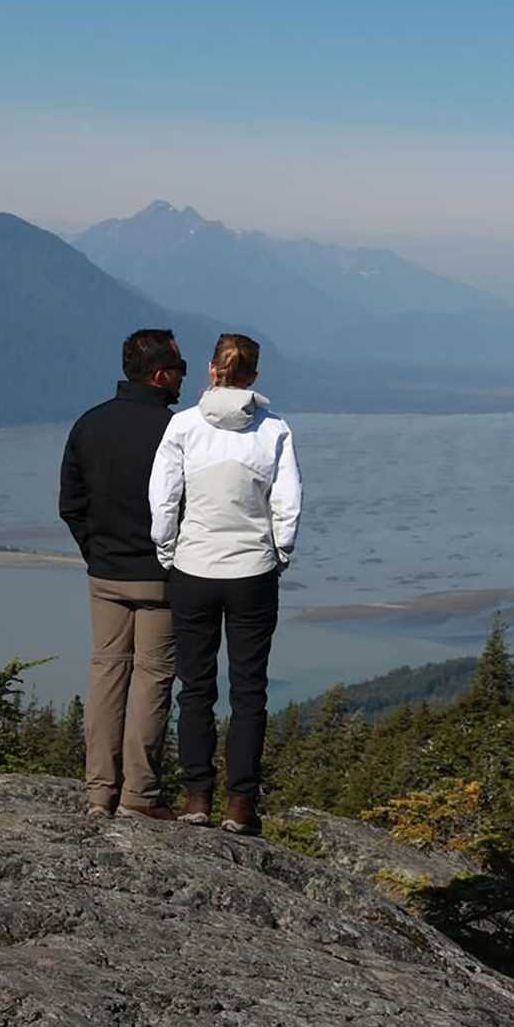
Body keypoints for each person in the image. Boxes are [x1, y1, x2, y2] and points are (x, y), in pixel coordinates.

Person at [148, 333, 301, 835]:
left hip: (193, 569)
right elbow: (287, 503)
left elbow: (164, 498)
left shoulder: (183, 426)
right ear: (253, 378)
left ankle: (196, 798)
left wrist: (169, 551)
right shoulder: (274, 429)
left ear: (212, 370)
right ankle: (240, 806)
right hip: (252, 573)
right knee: (249, 690)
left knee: (195, 687)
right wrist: (277, 552)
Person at [58, 328, 187, 820]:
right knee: (152, 678)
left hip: (106, 575)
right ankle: (138, 796)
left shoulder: (88, 425)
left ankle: (98, 795)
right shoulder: (176, 432)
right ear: (159, 375)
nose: (182, 381)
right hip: (160, 577)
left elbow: (71, 504)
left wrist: (97, 552)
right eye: (179, 371)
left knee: (107, 672)